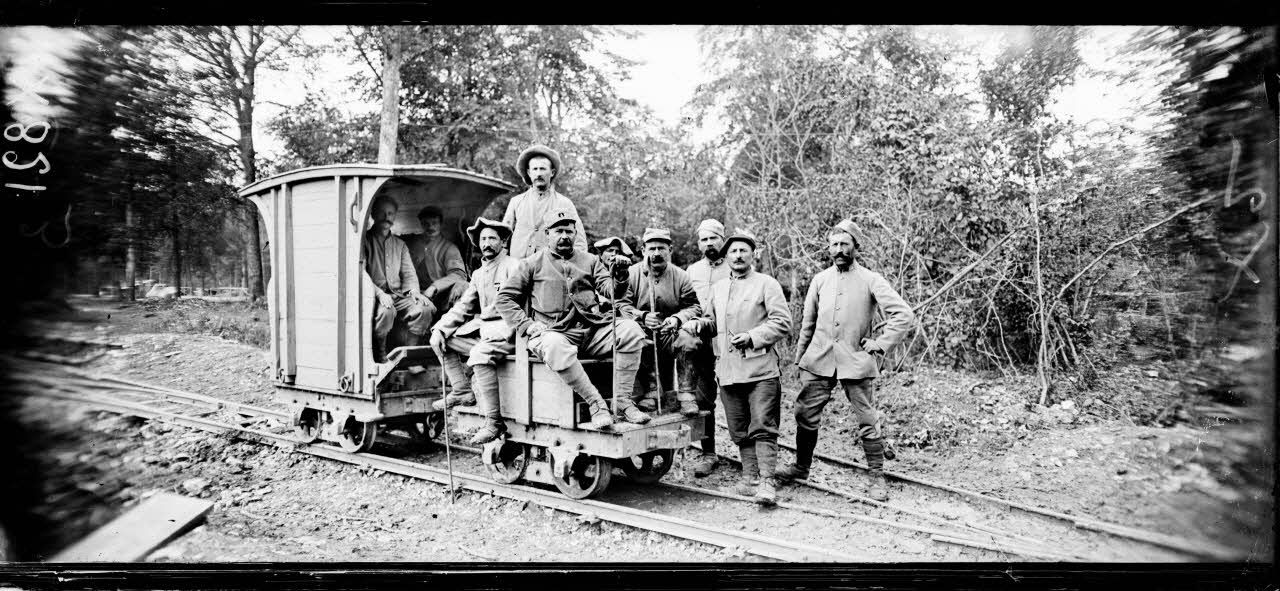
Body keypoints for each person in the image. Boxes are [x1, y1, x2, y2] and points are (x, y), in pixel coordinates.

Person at [775, 219, 915, 502]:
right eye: (835, 245)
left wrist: (879, 344)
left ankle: (876, 476)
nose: (839, 250)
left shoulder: (871, 279)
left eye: (845, 244)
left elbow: (903, 315)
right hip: (819, 358)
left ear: (855, 247)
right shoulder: (820, 279)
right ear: (829, 248)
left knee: (867, 419)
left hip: (856, 359)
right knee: (804, 413)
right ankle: (801, 468)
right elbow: (808, 323)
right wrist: (801, 358)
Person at [495, 207, 652, 428]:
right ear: (547, 234)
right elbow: (504, 299)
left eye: (569, 231)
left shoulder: (589, 260)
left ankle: (623, 402)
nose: (564, 236)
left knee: (631, 330)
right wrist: (527, 325)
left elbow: (611, 291)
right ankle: (596, 404)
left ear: (575, 234)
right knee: (554, 346)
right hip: (553, 332)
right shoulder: (531, 263)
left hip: (592, 330)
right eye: (558, 231)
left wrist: (621, 275)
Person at [686, 228, 791, 504]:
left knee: (764, 425)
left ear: (753, 254)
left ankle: (768, 481)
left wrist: (754, 337)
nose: (738, 255)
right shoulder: (719, 289)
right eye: (733, 251)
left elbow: (782, 322)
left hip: (761, 370)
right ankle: (750, 477)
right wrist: (700, 324)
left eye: (744, 250)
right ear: (726, 256)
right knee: (738, 425)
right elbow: (710, 321)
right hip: (728, 370)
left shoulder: (767, 284)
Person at [428, 218, 522, 444]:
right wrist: (440, 328)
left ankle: (494, 421)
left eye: (492, 238)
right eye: (483, 239)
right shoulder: (479, 274)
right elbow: (463, 306)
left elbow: (521, 305)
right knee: (444, 340)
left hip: (509, 332)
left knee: (479, 354)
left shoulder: (514, 266)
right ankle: (461, 391)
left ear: (502, 242)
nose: (487, 243)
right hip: (487, 331)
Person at [615, 227, 702, 417]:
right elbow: (621, 305)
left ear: (670, 250)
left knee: (689, 339)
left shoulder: (681, 276)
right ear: (643, 250)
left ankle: (686, 394)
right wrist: (642, 316)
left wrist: (677, 319)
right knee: (637, 335)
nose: (656, 253)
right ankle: (652, 390)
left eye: (661, 248)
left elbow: (694, 307)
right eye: (652, 248)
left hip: (670, 335)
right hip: (643, 335)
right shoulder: (631, 274)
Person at [681, 218, 731, 477]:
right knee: (703, 399)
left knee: (737, 396)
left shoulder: (735, 265)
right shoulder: (692, 271)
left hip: (729, 342)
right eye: (704, 239)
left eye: (713, 237)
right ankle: (709, 453)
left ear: (723, 239)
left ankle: (753, 454)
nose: (709, 243)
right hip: (701, 345)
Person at [362, 194, 433, 361]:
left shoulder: (400, 245)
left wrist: (414, 292)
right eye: (382, 212)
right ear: (373, 214)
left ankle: (410, 354)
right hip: (373, 295)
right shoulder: (364, 241)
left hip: (399, 295)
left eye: (391, 213)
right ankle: (380, 356)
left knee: (425, 308)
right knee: (386, 312)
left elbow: (408, 273)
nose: (387, 217)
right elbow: (360, 273)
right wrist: (379, 294)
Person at [502, 144, 588, 258]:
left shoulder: (564, 203)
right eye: (535, 169)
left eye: (542, 169)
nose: (538, 174)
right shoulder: (516, 202)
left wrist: (575, 268)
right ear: (529, 173)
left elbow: (579, 241)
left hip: (550, 268)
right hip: (518, 266)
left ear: (552, 172)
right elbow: (503, 237)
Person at [402, 205, 470, 313]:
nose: (430, 227)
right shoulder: (411, 242)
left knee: (463, 286)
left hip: (439, 295)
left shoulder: (449, 248)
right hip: (413, 293)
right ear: (421, 224)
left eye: (434, 223)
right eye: (426, 224)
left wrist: (434, 287)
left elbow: (459, 274)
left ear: (441, 224)